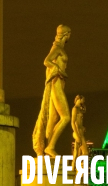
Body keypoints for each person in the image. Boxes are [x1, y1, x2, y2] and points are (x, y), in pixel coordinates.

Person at [33, 25, 71, 157]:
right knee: (66, 117)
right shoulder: (57, 48)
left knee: (53, 118)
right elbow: (46, 61)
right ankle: (50, 146)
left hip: (59, 83)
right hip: (56, 84)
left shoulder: (59, 48)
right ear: (66, 34)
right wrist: (58, 70)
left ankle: (46, 147)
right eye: (69, 34)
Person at [71, 95, 89, 170]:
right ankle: (78, 168)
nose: (84, 101)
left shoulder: (79, 109)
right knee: (85, 152)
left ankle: (73, 168)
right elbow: (72, 122)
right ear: (80, 99)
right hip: (77, 132)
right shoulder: (75, 109)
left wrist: (82, 127)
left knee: (76, 151)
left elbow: (79, 122)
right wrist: (77, 134)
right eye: (83, 99)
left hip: (80, 131)